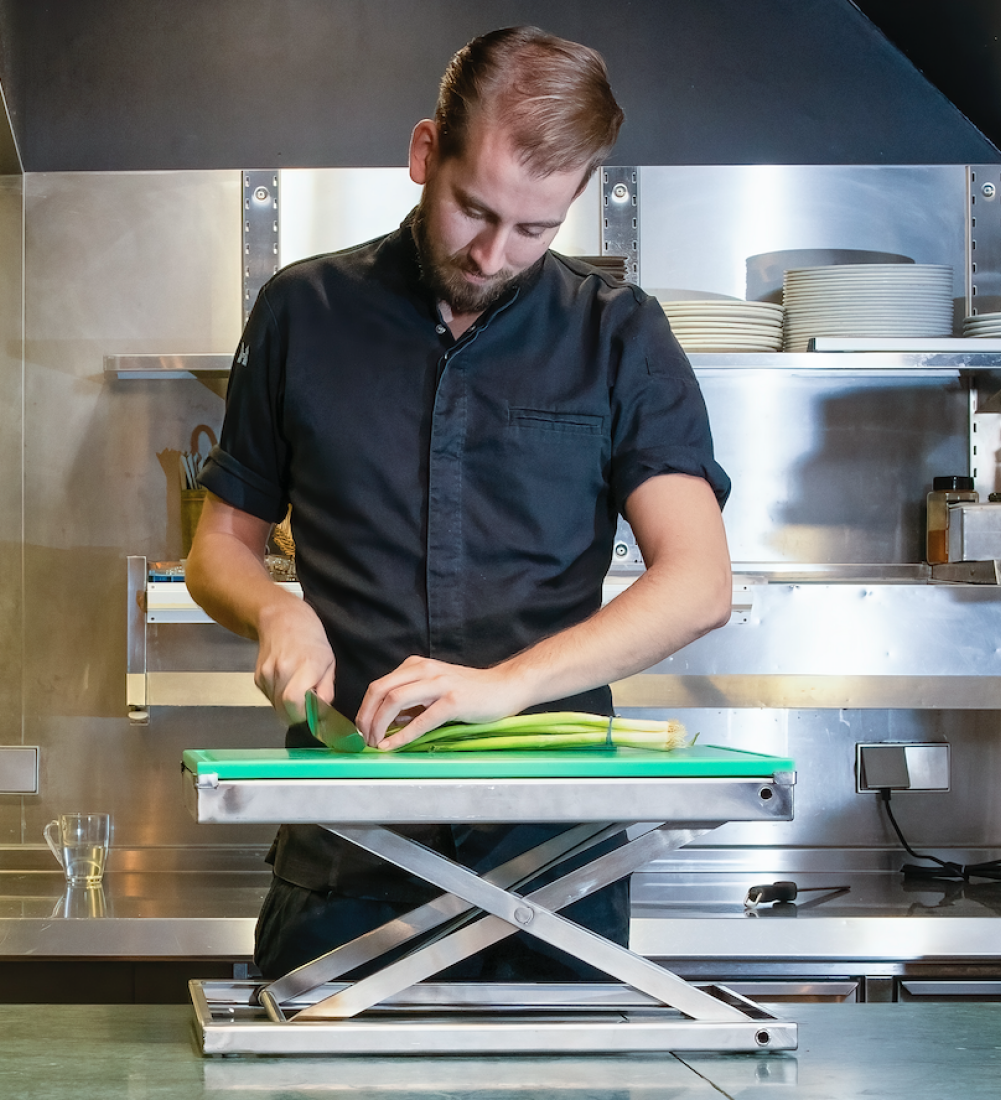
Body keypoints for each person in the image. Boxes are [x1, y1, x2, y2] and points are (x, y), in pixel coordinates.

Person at [186, 26, 734, 982]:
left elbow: (698, 582)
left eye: (535, 229)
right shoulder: (299, 314)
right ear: (423, 152)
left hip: (554, 865)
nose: (492, 253)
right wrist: (274, 608)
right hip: (348, 858)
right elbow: (217, 549)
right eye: (472, 209)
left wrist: (508, 684)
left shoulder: (620, 337)